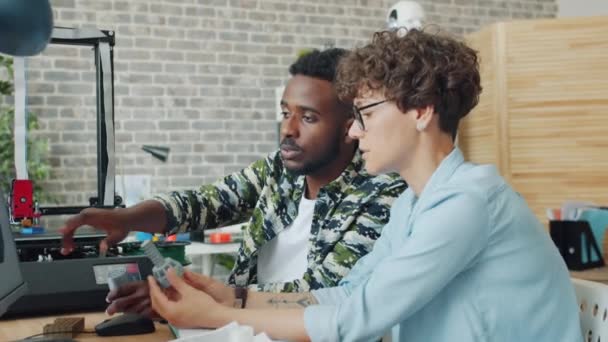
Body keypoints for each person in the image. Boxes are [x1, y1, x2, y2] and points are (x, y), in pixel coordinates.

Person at [146, 29, 582, 342]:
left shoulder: (467, 203)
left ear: (421, 111)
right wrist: (236, 299)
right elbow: (350, 293)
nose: (354, 132)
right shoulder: (414, 204)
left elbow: (355, 320)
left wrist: (218, 315)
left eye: (366, 114)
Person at [60, 48, 406, 317]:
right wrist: (128, 218)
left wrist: (206, 298)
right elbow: (206, 202)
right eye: (286, 113)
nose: (288, 129)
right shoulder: (280, 169)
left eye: (308, 117)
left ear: (351, 126)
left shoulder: (383, 193)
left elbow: (321, 293)